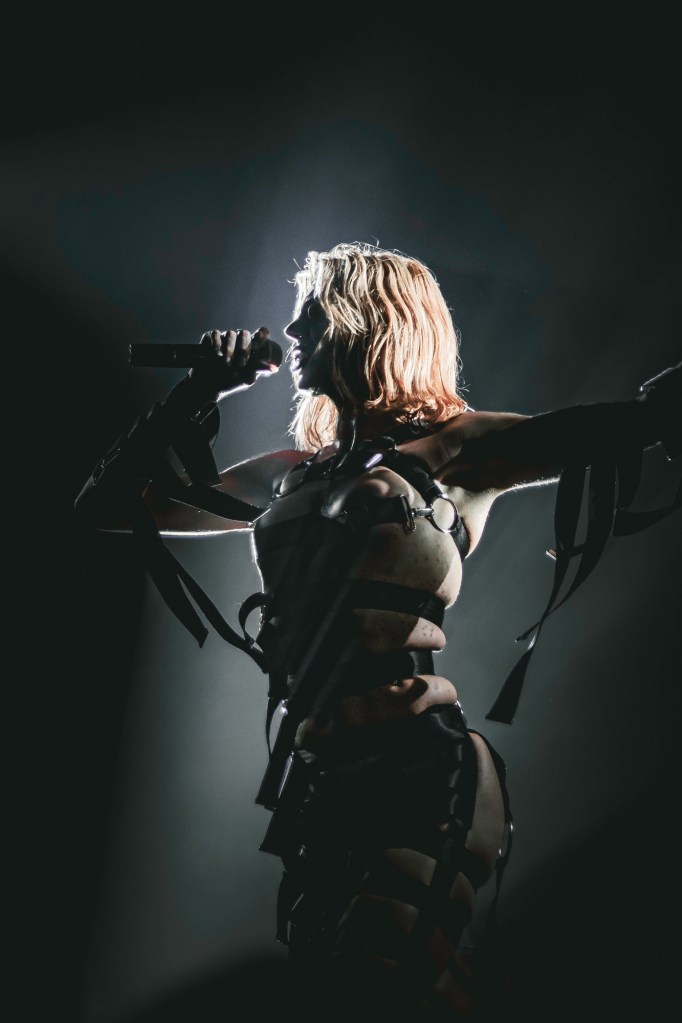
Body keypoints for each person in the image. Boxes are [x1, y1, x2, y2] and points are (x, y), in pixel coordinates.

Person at [75, 242, 681, 1020]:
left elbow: (615, 429)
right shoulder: (289, 473)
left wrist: (659, 407)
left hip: (417, 767)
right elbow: (109, 507)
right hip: (322, 788)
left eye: (312, 312)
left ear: (371, 318)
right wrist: (200, 388)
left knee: (382, 984)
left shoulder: (457, 449)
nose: (293, 331)